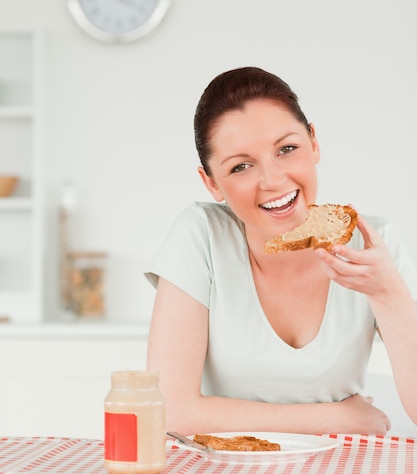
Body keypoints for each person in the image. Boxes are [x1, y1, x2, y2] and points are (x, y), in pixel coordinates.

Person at [145, 66, 417, 436]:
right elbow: (169, 411)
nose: (273, 181)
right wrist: (336, 419)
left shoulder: (373, 244)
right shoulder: (201, 235)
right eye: (241, 166)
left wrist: (391, 296)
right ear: (211, 183)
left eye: (287, 149)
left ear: (314, 143)